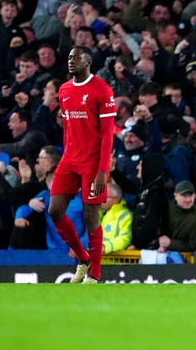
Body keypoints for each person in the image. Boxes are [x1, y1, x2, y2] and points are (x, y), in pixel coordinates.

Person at [48, 46, 116, 284]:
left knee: (91, 216)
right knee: (54, 210)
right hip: (70, 159)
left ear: (88, 62)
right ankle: (82, 257)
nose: (71, 61)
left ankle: (95, 275)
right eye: (69, 57)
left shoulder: (102, 90)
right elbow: (68, 127)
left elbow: (108, 135)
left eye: (76, 58)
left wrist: (102, 172)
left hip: (92, 162)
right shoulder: (65, 90)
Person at [158, 180, 196, 253]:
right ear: (175, 196)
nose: (188, 200)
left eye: (191, 196)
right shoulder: (169, 207)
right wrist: (163, 244)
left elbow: (194, 247)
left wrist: (170, 244)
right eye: (184, 196)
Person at [100, 182, 133, 254]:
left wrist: (105, 246)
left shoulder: (126, 215)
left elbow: (125, 239)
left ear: (116, 199)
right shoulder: (101, 213)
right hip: (101, 262)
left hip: (115, 263)